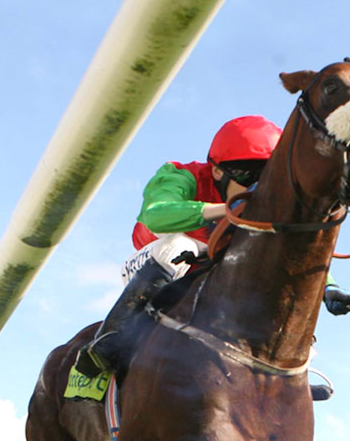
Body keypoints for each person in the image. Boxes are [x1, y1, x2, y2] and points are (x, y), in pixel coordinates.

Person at [76, 115, 283, 378]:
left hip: (214, 264)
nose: (255, 188)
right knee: (176, 245)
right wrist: (226, 210)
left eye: (265, 178)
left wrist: (330, 287)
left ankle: (281, 374)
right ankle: (111, 338)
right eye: (248, 176)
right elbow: (156, 215)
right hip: (157, 259)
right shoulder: (182, 175)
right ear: (218, 171)